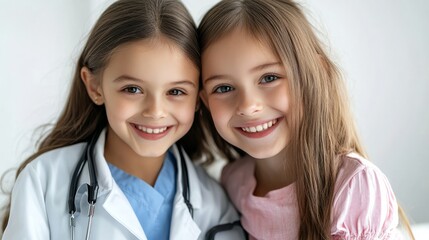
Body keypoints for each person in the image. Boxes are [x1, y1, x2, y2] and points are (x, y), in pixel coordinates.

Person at [1, 0, 244, 239]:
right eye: (133, 89)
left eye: (176, 92)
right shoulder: (43, 181)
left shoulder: (216, 205)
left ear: (199, 98)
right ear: (95, 86)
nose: (155, 111)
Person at [198, 0, 414, 239]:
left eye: (269, 78)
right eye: (224, 87)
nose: (248, 106)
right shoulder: (233, 182)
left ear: (314, 75)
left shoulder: (353, 185)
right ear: (206, 101)